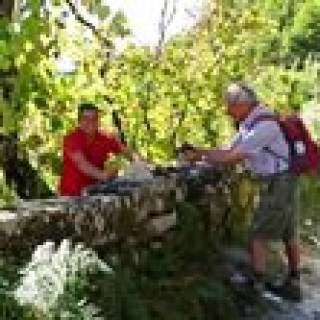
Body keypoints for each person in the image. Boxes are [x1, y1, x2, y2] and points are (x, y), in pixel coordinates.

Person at [193, 82, 301, 298]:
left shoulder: (263, 127)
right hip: (286, 180)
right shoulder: (251, 123)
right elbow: (228, 149)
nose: (227, 111)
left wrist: (200, 156)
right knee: (289, 231)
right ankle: (293, 282)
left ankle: (255, 284)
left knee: (256, 234)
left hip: (278, 183)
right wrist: (200, 152)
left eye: (229, 107)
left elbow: (233, 157)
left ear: (241, 104)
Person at [59, 103, 141, 196]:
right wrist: (104, 176)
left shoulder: (105, 138)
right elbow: (82, 164)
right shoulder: (71, 139)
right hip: (71, 195)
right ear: (79, 121)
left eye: (94, 118)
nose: (90, 122)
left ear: (98, 121)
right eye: (86, 118)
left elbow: (127, 152)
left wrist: (141, 165)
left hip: (95, 192)